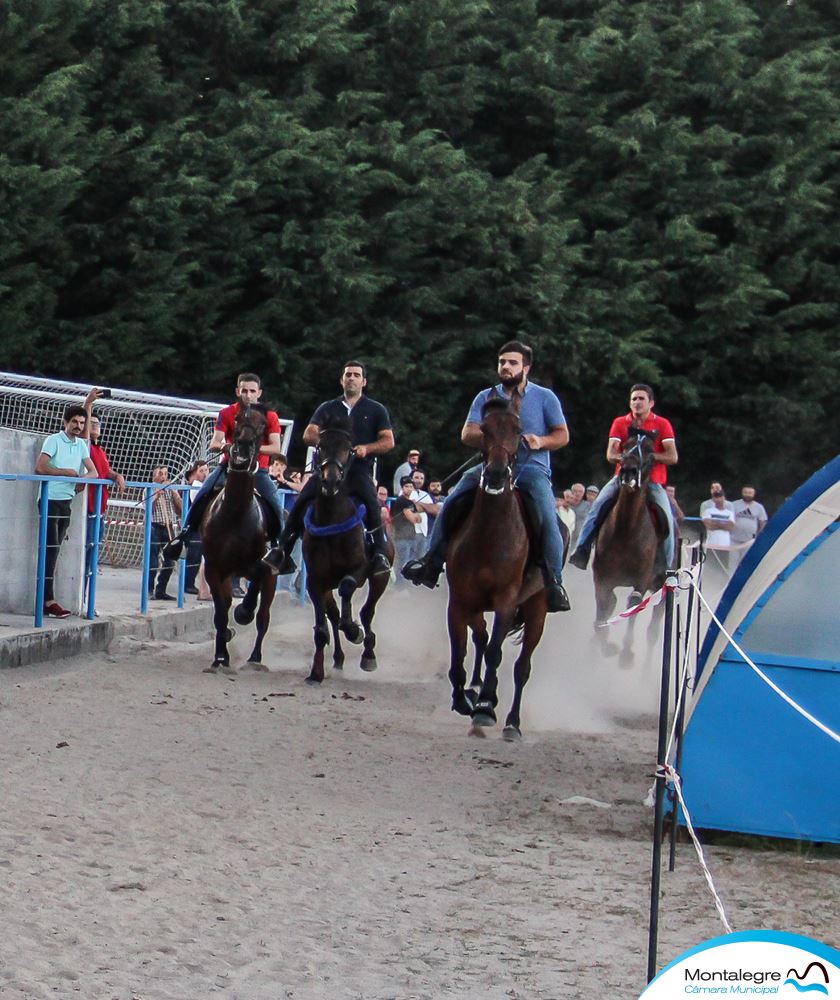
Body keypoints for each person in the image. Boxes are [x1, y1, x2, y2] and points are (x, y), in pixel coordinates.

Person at [403, 340, 571, 612]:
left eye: (512, 362)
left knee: (548, 517)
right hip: (491, 465)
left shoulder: (545, 397)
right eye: (502, 362)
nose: (505, 367)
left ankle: (554, 583)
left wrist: (540, 440)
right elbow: (467, 433)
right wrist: (494, 438)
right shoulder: (485, 396)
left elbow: (562, 435)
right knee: (454, 498)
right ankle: (431, 562)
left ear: (526, 367)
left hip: (531, 468)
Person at [263, 360, 395, 577]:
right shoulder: (328, 407)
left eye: (356, 375)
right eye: (348, 374)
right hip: (328, 469)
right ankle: (281, 550)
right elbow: (308, 434)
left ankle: (379, 552)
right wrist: (326, 441)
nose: (351, 378)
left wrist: (367, 448)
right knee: (302, 499)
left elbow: (388, 441)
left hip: (358, 470)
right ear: (341, 380)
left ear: (364, 381)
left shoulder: (375, 409)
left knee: (372, 503)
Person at [163, 373, 284, 560]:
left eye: (252, 391)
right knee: (204, 493)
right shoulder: (227, 413)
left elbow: (276, 447)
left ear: (259, 393)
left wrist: (249, 447)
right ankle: (184, 538)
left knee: (275, 502)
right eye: (244, 390)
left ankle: (278, 547)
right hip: (229, 466)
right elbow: (214, 443)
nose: (248, 395)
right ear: (237, 391)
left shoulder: (270, 416)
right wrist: (230, 447)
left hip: (257, 470)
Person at [569, 383, 678, 570]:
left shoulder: (662, 424)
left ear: (651, 403)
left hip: (651, 481)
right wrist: (625, 458)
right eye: (634, 399)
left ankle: (668, 567)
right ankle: (582, 550)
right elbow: (611, 454)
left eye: (641, 398)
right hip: (623, 476)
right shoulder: (621, 422)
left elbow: (672, 456)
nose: (637, 402)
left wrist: (650, 457)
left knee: (667, 517)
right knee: (597, 507)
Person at [34, 403, 98, 618]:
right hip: (50, 498)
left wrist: (81, 479)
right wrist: (66, 473)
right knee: (50, 550)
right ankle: (47, 600)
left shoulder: (81, 445)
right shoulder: (53, 440)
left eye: (82, 423)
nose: (78, 426)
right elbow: (40, 467)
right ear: (66, 422)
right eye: (75, 422)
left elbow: (94, 472)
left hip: (66, 501)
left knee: (55, 550)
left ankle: (47, 600)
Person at [81, 391, 126, 593]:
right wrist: (88, 403)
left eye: (98, 423)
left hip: (99, 508)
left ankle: (86, 597)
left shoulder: (99, 449)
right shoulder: (85, 445)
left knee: (93, 556)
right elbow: (84, 426)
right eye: (92, 422)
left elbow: (104, 470)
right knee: (85, 554)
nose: (96, 425)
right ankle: (80, 598)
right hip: (88, 508)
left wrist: (116, 476)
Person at [148, 465, 183, 600]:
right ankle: (149, 590)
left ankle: (161, 589)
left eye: (165, 474)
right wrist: (156, 495)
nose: (164, 477)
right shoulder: (149, 488)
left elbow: (180, 509)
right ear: (155, 476)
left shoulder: (169, 490)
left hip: (168, 526)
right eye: (161, 474)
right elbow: (148, 508)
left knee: (170, 561)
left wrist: (174, 493)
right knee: (152, 562)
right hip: (154, 527)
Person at [183, 460, 209, 594]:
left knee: (198, 556)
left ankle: (191, 583)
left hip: (201, 528)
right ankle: (187, 583)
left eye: (206, 470)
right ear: (195, 473)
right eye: (201, 471)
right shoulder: (196, 486)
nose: (205, 473)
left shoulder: (205, 486)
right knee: (194, 555)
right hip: (194, 528)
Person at [391, 476, 424, 578]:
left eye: (410, 486)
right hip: (401, 538)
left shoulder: (410, 503)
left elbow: (419, 519)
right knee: (402, 565)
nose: (409, 488)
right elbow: (413, 519)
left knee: (410, 564)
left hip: (411, 537)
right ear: (402, 488)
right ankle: (400, 587)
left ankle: (406, 586)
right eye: (406, 486)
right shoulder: (401, 501)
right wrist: (414, 515)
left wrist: (414, 515)